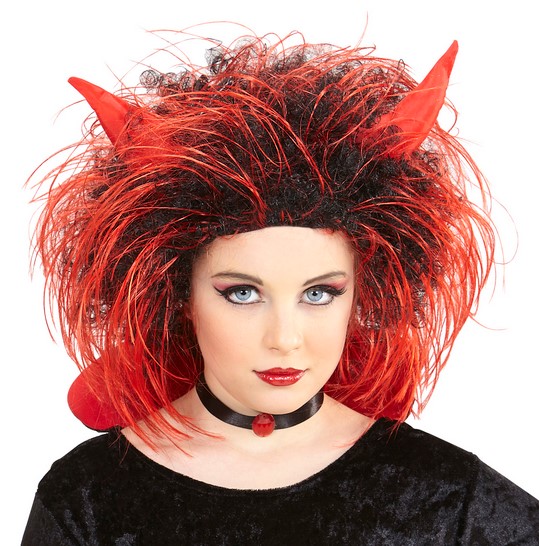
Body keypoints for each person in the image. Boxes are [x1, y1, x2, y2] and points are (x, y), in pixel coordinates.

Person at [22, 30, 539, 544]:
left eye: (319, 294)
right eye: (243, 293)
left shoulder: (447, 494)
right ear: (181, 296)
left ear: (360, 293)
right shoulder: (89, 497)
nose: (285, 339)